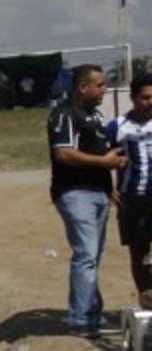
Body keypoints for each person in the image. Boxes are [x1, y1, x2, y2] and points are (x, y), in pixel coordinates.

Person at [48, 64, 127, 336]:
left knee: (95, 255)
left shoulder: (96, 117)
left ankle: (92, 313)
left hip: (99, 193)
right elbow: (64, 153)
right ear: (83, 87)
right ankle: (82, 320)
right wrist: (103, 162)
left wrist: (109, 184)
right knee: (86, 255)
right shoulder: (64, 113)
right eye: (101, 85)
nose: (105, 90)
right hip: (75, 192)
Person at [107, 72, 152, 303]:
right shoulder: (117, 126)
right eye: (145, 98)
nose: (150, 102)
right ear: (133, 99)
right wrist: (107, 186)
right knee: (139, 252)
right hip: (133, 198)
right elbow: (102, 158)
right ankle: (146, 300)